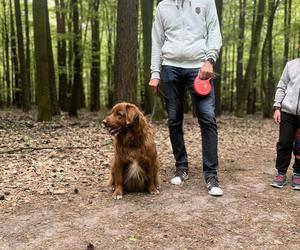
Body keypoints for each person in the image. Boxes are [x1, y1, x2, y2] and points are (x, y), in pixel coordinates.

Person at [149, 0, 223, 196]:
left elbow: (214, 31)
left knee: (207, 117)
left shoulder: (206, 2)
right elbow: (157, 40)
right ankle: (181, 167)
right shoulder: (163, 6)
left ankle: (211, 174)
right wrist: (155, 73)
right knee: (174, 120)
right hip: (170, 68)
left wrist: (210, 60)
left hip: (199, 68)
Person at [271, 52, 300, 190]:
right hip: (287, 112)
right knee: (284, 143)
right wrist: (277, 107)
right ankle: (281, 173)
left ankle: (298, 173)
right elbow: (281, 87)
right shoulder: (291, 65)